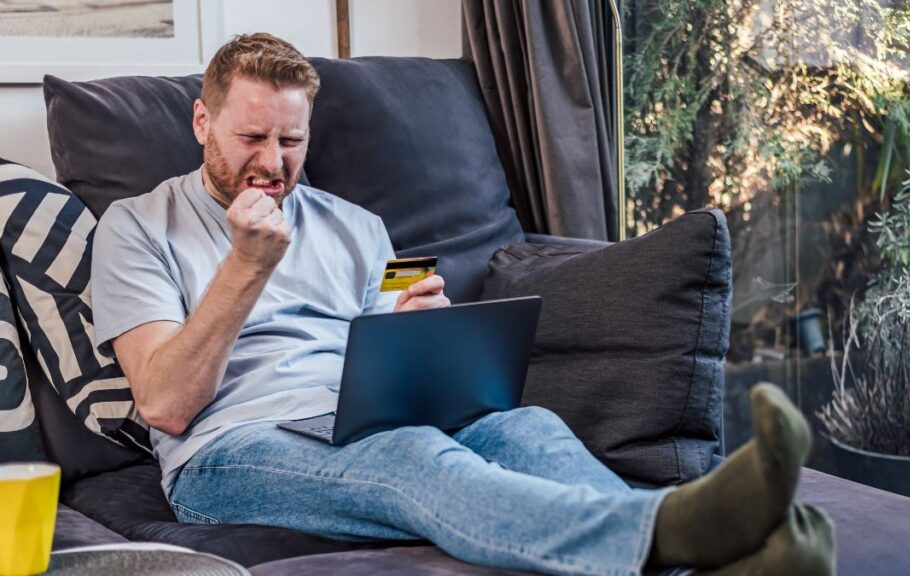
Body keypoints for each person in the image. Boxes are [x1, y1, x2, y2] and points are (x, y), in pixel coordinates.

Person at [91, 33, 834, 576]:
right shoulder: (136, 226)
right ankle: (684, 531)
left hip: (356, 415)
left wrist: (419, 334)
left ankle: (711, 558)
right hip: (229, 449)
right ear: (201, 123)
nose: (274, 163)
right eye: (251, 137)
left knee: (527, 427)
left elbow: (393, 357)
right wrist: (247, 267)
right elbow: (165, 403)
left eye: (292, 140)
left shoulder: (358, 226)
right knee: (414, 456)